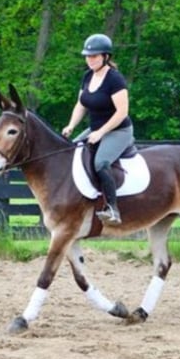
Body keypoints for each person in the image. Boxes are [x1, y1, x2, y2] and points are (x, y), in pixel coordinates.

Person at [62, 33, 134, 225]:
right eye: (87, 56)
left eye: (94, 56)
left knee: (101, 162)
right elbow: (81, 105)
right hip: (94, 128)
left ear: (106, 57)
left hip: (118, 130)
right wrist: (71, 125)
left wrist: (101, 133)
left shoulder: (115, 79)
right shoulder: (87, 77)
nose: (89, 59)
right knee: (72, 151)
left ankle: (112, 209)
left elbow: (122, 112)